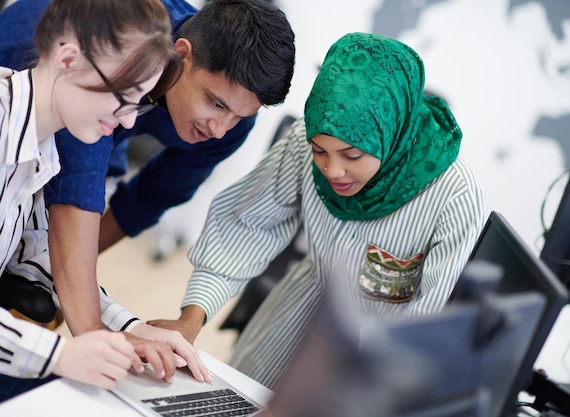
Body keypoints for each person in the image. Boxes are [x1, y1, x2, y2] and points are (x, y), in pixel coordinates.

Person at [148, 32, 488, 389]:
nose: (332, 171)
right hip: (301, 308)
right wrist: (191, 318)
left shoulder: (454, 193)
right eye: (320, 151)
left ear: (393, 133)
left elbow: (430, 321)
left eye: (352, 156)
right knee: (239, 401)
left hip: (383, 356)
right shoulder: (303, 138)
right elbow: (246, 226)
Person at [0, 0, 296, 338]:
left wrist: (66, 283)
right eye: (216, 103)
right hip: (13, 93)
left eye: (240, 115)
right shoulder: (118, 57)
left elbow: (150, 197)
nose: (221, 128)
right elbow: (78, 187)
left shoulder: (225, 120)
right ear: (182, 54)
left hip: (91, 130)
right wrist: (84, 313)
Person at [0, 0, 209, 414]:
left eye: (140, 103)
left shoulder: (42, 146)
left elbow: (32, 253)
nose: (126, 123)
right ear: (69, 58)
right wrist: (57, 354)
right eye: (125, 97)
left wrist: (131, 329)